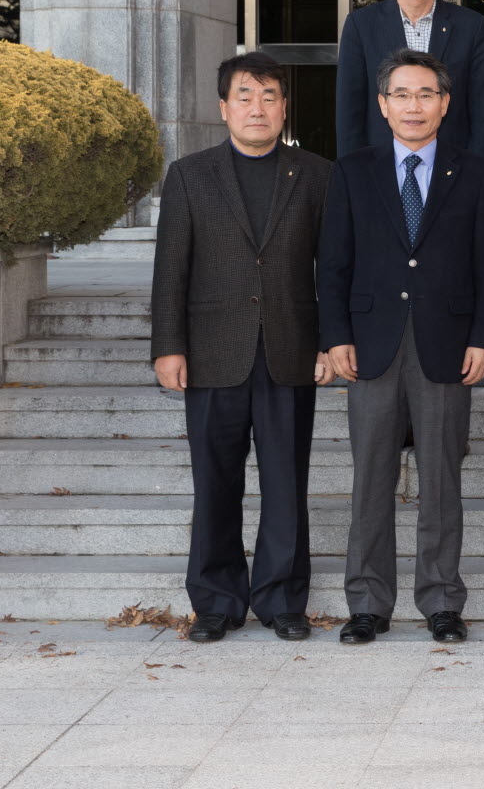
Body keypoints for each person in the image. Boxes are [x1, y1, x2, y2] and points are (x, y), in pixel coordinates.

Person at [318, 47, 484, 645]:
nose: (414, 106)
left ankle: (442, 600)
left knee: (441, 480)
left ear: (445, 103)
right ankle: (368, 604)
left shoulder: (474, 171)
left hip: (446, 344)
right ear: (383, 104)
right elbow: (333, 263)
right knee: (370, 479)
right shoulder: (353, 170)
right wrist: (335, 336)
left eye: (426, 94)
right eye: (402, 94)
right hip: (371, 345)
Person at [150, 52, 333, 643]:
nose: (258, 107)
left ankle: (283, 600)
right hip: (211, 352)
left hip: (290, 349)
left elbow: (333, 268)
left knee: (286, 484)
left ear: (284, 107)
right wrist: (168, 346)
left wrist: (331, 343)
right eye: (246, 96)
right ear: (223, 107)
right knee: (215, 483)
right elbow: (170, 269)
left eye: (270, 96)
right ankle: (216, 601)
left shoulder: (316, 174)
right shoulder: (189, 175)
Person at [335, 0, 484, 160]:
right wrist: (353, 171)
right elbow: (349, 109)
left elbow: (482, 110)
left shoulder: (471, 26)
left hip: (453, 164)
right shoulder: (362, 25)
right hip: (380, 164)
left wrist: (478, 170)